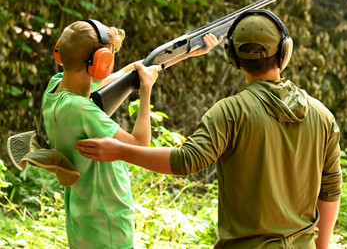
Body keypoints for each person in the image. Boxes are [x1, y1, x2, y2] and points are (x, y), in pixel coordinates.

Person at [76, 10, 343, 248]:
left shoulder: (231, 111)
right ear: (285, 52)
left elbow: (186, 161)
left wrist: (120, 151)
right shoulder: (322, 115)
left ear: (232, 56)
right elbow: (330, 189)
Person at [44, 19, 219, 249]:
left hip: (84, 219)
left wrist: (189, 52)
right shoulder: (81, 109)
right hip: (108, 222)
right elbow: (140, 144)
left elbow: (129, 73)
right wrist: (146, 92)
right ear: (99, 64)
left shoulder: (56, 87)